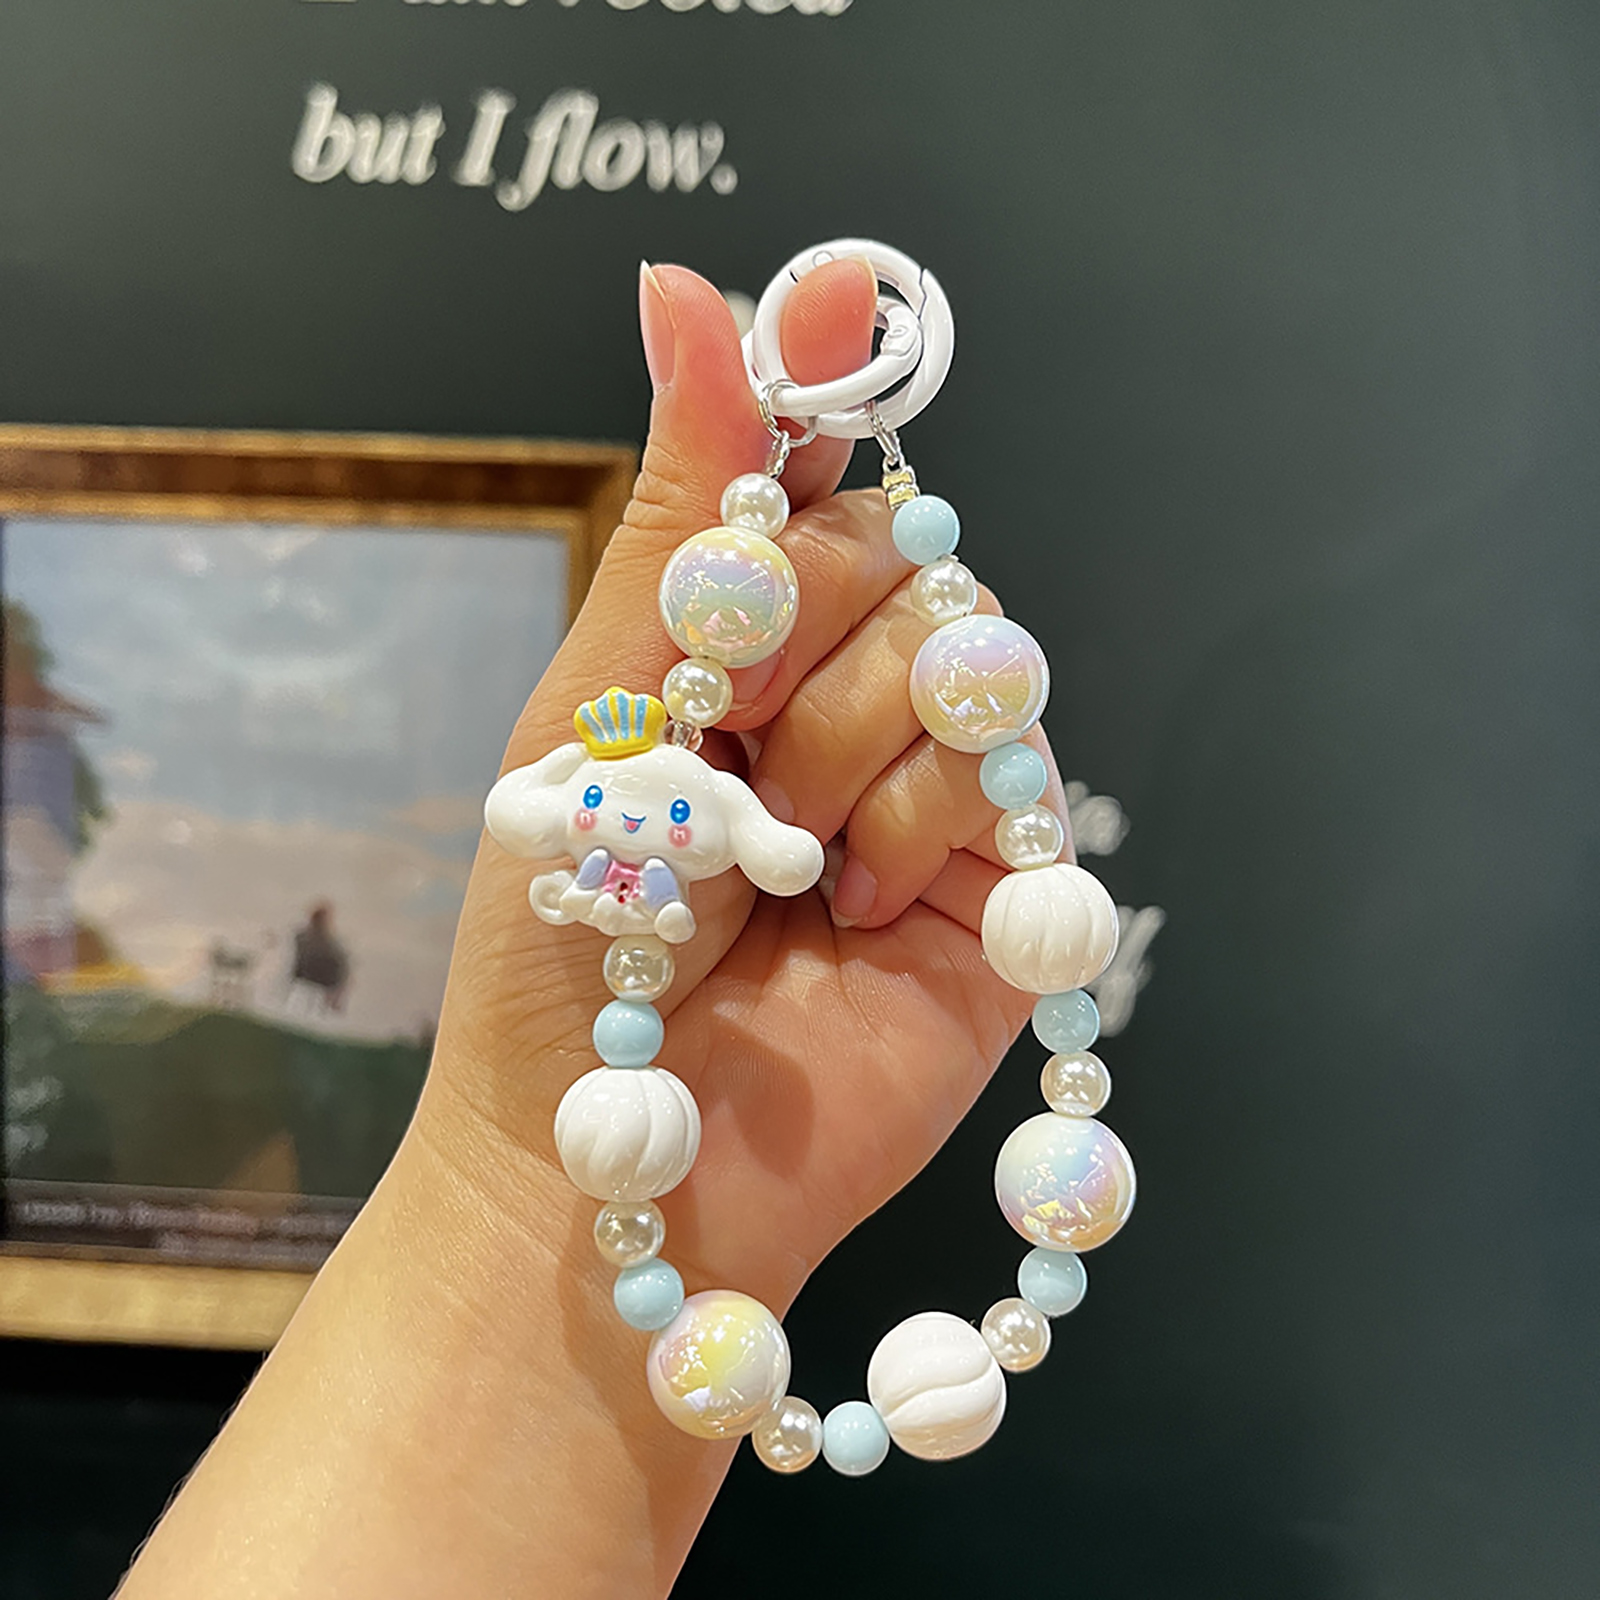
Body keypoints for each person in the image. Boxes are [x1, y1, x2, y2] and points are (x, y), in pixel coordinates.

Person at [118, 256, 1070, 1598]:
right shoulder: (618, 824)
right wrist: (522, 1186)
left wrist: (541, 1204)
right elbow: (559, 816)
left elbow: (703, 831)